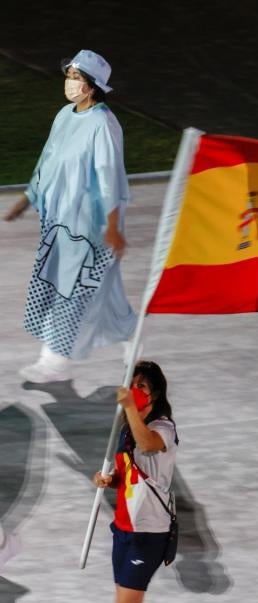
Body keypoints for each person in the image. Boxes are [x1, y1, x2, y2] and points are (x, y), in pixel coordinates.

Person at [4, 49, 136, 383]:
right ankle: (131, 339)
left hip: (89, 225)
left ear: (92, 87)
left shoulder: (103, 124)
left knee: (70, 291)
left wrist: (111, 225)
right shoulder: (65, 115)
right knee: (87, 289)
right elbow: (48, 160)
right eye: (69, 75)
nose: (70, 83)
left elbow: (109, 176)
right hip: (59, 221)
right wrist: (27, 197)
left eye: (77, 78)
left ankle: (55, 361)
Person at [93, 360, 196, 603]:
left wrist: (128, 409)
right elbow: (130, 473)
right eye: (132, 385)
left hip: (148, 531)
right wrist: (109, 481)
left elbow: (148, 444)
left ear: (155, 394)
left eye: (142, 387)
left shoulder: (164, 428)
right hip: (123, 527)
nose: (135, 392)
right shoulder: (127, 429)